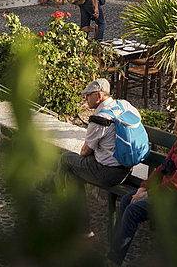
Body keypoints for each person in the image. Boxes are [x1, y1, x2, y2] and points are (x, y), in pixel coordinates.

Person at [107, 113, 177, 266]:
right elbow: (161, 169)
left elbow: (176, 184)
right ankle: (117, 254)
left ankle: (114, 260)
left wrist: (148, 194)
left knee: (133, 211)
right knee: (126, 200)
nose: (174, 128)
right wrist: (143, 188)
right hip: (165, 190)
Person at [58, 78, 131, 237]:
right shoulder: (124, 105)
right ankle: (83, 229)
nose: (85, 98)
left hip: (109, 173)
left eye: (88, 95)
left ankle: (54, 186)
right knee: (72, 174)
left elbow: (84, 152)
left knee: (66, 159)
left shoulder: (100, 119)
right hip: (127, 169)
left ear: (98, 96)